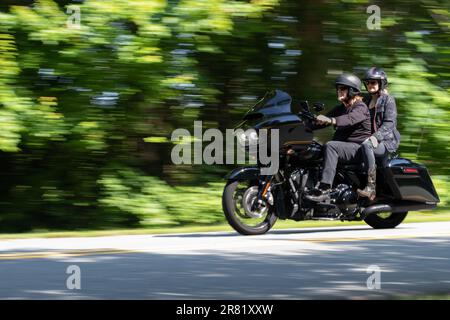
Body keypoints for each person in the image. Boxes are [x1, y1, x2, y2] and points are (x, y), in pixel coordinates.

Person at [306, 73, 372, 202]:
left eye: (342, 88)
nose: (338, 91)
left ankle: (325, 189)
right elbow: (321, 122)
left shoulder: (361, 107)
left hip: (358, 149)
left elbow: (349, 119)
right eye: (338, 89)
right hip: (345, 148)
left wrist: (331, 120)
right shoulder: (341, 108)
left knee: (331, 146)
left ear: (352, 90)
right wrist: (299, 126)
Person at [357, 67, 401, 200]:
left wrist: (375, 137)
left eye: (374, 82)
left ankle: (371, 188)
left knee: (367, 145)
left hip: (385, 141)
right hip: (369, 139)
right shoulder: (364, 101)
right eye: (368, 82)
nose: (370, 85)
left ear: (381, 84)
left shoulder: (388, 100)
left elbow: (389, 123)